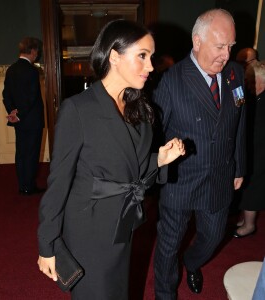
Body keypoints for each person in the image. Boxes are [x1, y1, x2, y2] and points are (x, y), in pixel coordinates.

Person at [37, 19, 185, 300]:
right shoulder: (78, 110)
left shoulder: (138, 108)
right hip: (88, 230)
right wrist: (47, 244)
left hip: (122, 224)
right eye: (142, 56)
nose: (151, 66)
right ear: (115, 56)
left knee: (119, 292)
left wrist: (161, 159)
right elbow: (57, 183)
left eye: (151, 57)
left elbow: (134, 171)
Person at [153, 9, 246, 299]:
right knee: (168, 246)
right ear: (197, 41)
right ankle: (164, 295)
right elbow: (156, 135)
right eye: (219, 47)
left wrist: (239, 167)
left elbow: (239, 123)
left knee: (214, 236)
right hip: (182, 178)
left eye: (230, 46)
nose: (226, 54)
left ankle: (192, 262)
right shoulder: (171, 80)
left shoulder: (235, 73)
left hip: (220, 174)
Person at [2, 37, 45, 195]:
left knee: (21, 153)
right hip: (32, 120)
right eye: (37, 52)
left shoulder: (11, 69)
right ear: (32, 51)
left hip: (18, 121)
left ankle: (22, 185)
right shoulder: (32, 71)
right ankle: (29, 186)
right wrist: (19, 114)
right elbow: (32, 97)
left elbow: (5, 95)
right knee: (31, 153)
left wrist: (12, 112)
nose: (37, 55)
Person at [234, 61, 265, 238]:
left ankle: (249, 226)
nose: (249, 84)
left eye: (253, 81)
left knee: (253, 189)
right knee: (245, 188)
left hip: (259, 152)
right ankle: (245, 220)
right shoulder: (246, 94)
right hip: (247, 148)